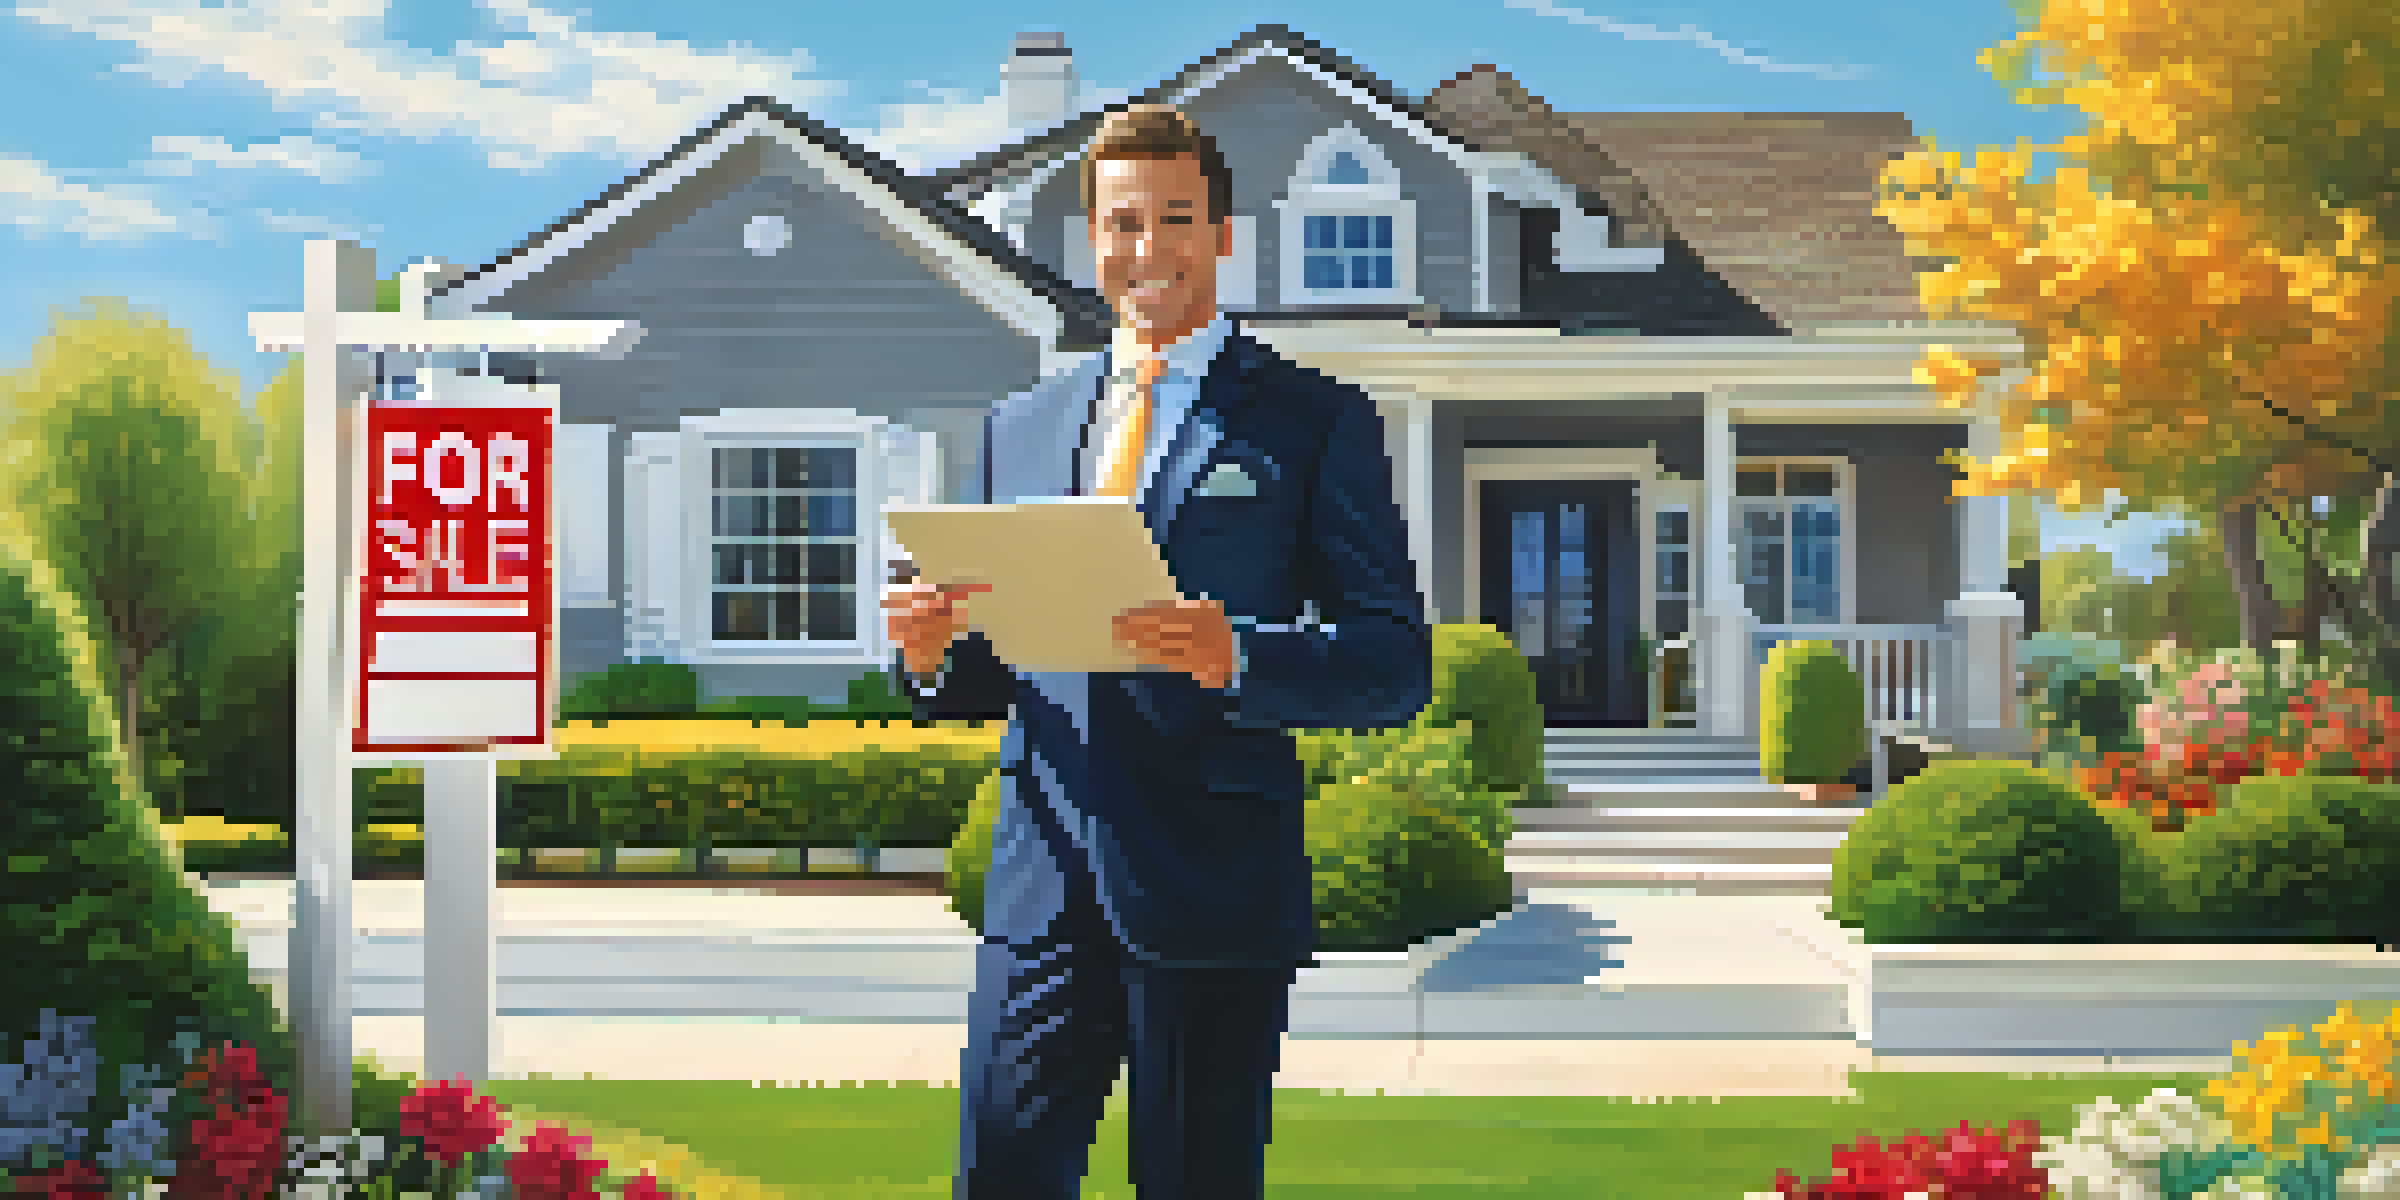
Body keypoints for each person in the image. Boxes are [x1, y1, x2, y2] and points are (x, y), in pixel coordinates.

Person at [882, 103, 1431, 1199]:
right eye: (1123, 222)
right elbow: (1006, 668)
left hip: (1211, 880)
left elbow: (1393, 664)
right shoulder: (1022, 426)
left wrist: (1244, 659)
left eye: (1175, 218)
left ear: (1224, 233)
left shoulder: (1314, 421)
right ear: (1093, 238)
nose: (1148, 249)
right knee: (999, 1176)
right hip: (1041, 881)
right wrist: (936, 653)